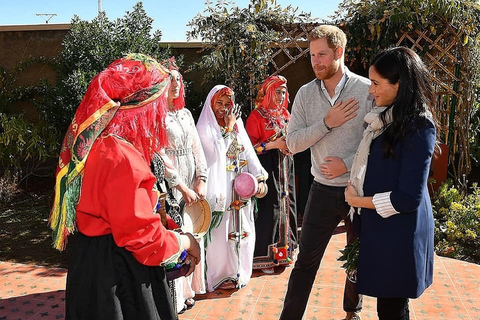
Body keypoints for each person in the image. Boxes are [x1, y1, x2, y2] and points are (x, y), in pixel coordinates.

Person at [49, 53, 201, 320]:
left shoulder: (98, 143)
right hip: (120, 276)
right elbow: (142, 237)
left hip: (92, 269)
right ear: (142, 107)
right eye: (159, 106)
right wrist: (186, 241)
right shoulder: (121, 155)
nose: (162, 114)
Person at [280, 25, 374, 320]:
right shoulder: (306, 95)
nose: (316, 61)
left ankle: (352, 311)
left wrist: (347, 163)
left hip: (358, 191)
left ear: (339, 52)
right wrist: (327, 123)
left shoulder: (365, 89)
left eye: (322, 54)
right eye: (312, 55)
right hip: (321, 190)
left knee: (357, 258)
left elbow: (377, 139)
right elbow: (292, 143)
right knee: (305, 261)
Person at [345, 47, 436, 320]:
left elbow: (408, 198)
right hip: (383, 227)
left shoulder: (419, 125)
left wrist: (357, 201)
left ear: (399, 84)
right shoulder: (385, 118)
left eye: (376, 83)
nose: (371, 90)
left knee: (391, 308)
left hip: (400, 232)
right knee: (390, 305)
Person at [196, 85, 268, 291]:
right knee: (220, 234)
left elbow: (246, 150)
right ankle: (219, 275)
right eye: (219, 103)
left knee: (243, 229)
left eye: (228, 104)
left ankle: (239, 271)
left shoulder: (236, 125)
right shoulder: (204, 128)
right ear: (211, 104)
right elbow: (214, 156)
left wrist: (259, 177)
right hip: (219, 193)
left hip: (239, 190)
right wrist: (228, 128)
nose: (224, 108)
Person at [161, 59, 208, 313]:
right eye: (171, 80)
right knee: (177, 232)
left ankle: (190, 289)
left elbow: (197, 148)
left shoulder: (186, 114)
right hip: (172, 186)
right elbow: (160, 155)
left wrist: (201, 178)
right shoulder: (158, 115)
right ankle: (176, 296)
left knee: (194, 231)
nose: (176, 85)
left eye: (179, 80)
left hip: (192, 181)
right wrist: (181, 187)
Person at [245, 75, 297, 274]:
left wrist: (291, 147)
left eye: (283, 92)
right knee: (270, 208)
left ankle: (284, 254)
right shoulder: (256, 116)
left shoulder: (285, 114)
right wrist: (274, 144)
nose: (281, 95)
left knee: (287, 205)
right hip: (267, 167)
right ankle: (265, 259)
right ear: (267, 93)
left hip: (285, 166)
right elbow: (250, 148)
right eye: (277, 91)